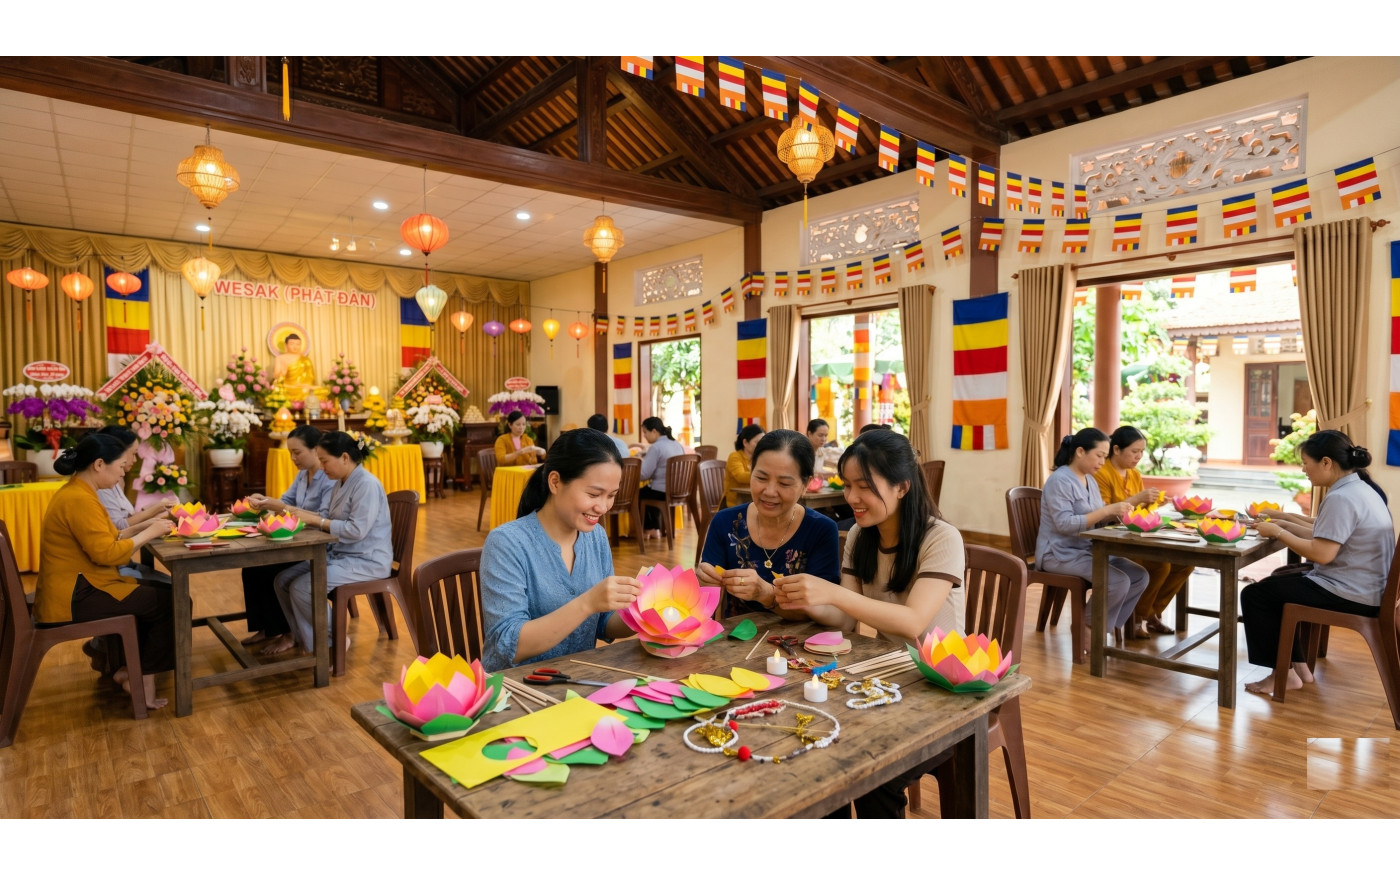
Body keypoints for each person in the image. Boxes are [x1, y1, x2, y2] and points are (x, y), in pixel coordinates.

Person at [775, 428, 964, 819]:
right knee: (818, 751)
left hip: (944, 689)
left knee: (873, 772)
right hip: (891, 681)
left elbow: (913, 621)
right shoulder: (861, 536)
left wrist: (831, 593)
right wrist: (805, 598)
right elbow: (844, 619)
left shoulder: (941, 538)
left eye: (864, 486)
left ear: (902, 487)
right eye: (847, 485)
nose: (851, 498)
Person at [1242, 430, 1394, 695]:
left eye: (1305, 463)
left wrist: (1278, 531)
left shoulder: (1341, 498)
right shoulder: (1361, 488)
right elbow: (1324, 533)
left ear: (1326, 462)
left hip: (1352, 593)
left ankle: (1283, 674)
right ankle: (1298, 668)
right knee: (1278, 583)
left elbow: (1322, 554)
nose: (1303, 469)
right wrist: (1283, 521)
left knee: (1255, 595)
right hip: (1366, 586)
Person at [480, 428, 640, 671]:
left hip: (576, 680)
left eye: (611, 496)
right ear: (555, 482)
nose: (603, 507)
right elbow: (509, 643)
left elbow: (604, 622)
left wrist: (643, 613)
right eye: (593, 494)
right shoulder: (507, 543)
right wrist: (588, 602)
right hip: (516, 686)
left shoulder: (595, 537)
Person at [34, 434, 175, 709]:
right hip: (75, 594)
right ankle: (140, 679)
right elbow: (107, 553)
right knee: (171, 602)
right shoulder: (79, 499)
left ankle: (130, 669)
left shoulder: (80, 492)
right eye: (121, 466)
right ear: (99, 464)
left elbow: (111, 536)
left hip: (80, 585)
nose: (123, 472)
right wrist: (150, 533)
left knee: (166, 593)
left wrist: (148, 526)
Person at [697, 429, 840, 618]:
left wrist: (766, 594)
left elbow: (826, 610)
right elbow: (706, 604)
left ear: (806, 485)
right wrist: (704, 583)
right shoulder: (725, 522)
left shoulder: (821, 530)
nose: (770, 492)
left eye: (784, 483)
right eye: (761, 478)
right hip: (737, 635)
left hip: (804, 636)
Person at [273, 431, 392, 653]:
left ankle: (334, 640)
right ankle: (305, 639)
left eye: (324, 460)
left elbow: (356, 530)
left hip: (367, 560)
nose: (321, 466)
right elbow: (324, 516)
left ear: (345, 457)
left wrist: (316, 520)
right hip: (341, 556)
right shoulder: (339, 483)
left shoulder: (366, 484)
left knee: (302, 587)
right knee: (282, 581)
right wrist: (296, 513)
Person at [1037, 428, 1150, 650]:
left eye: (1104, 457)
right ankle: (1086, 628)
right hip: (1059, 553)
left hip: (1086, 550)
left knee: (1139, 576)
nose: (1102, 462)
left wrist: (1114, 515)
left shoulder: (1089, 479)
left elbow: (1095, 518)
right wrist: (1106, 511)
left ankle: (1101, 626)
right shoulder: (1060, 480)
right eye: (1099, 455)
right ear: (1080, 451)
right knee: (1118, 581)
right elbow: (1065, 524)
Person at [1094, 425, 1193, 639]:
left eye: (1141, 452)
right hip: (1112, 539)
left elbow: (1139, 513)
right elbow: (1104, 513)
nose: (1139, 456)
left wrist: (1154, 503)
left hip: (1135, 536)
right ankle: (1139, 617)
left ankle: (1151, 612)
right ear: (1116, 449)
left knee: (1185, 563)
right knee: (1160, 565)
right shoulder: (1102, 473)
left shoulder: (1134, 474)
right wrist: (1138, 498)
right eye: (1134, 451)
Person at [241, 425, 332, 654]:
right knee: (251, 568)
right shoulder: (302, 474)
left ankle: (289, 633)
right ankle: (267, 628)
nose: (293, 458)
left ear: (315, 450)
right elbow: (286, 501)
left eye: (297, 452)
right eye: (290, 452)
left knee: (269, 569)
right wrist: (264, 501)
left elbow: (323, 518)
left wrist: (280, 507)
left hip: (317, 545)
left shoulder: (329, 477)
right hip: (297, 537)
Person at [95, 425, 174, 584]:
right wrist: (150, 528)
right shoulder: (99, 488)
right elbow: (114, 537)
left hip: (118, 563)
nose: (135, 460)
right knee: (173, 588)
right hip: (107, 572)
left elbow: (116, 532)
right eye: (133, 454)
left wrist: (153, 516)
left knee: (171, 583)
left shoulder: (112, 481)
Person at [636, 416, 685, 538]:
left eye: (645, 432)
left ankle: (650, 529)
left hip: (662, 491)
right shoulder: (677, 444)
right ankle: (656, 528)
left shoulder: (656, 447)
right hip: (680, 490)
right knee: (649, 489)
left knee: (638, 494)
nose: (644, 436)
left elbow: (643, 474)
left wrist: (639, 461)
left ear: (654, 431)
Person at [724, 424, 764, 508]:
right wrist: (764, 475)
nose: (761, 446)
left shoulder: (760, 458)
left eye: (763, 442)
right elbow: (741, 477)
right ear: (745, 442)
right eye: (757, 442)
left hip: (753, 500)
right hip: (735, 502)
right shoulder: (735, 456)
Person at [272, 332, 317, 401]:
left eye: (298, 344)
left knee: (323, 390)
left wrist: (307, 385)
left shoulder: (306, 359)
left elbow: (311, 377)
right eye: (292, 344)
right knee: (277, 388)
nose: (295, 346)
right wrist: (283, 373)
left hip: (303, 387)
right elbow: (276, 377)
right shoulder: (280, 358)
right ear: (286, 345)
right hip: (288, 386)